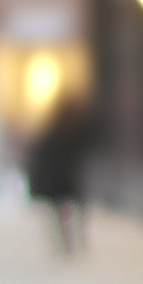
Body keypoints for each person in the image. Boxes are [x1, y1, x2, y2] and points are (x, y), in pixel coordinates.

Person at [24, 89, 92, 252]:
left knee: (63, 211)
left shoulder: (62, 129)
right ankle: (71, 240)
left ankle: (67, 240)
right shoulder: (69, 130)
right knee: (71, 210)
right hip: (62, 178)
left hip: (62, 178)